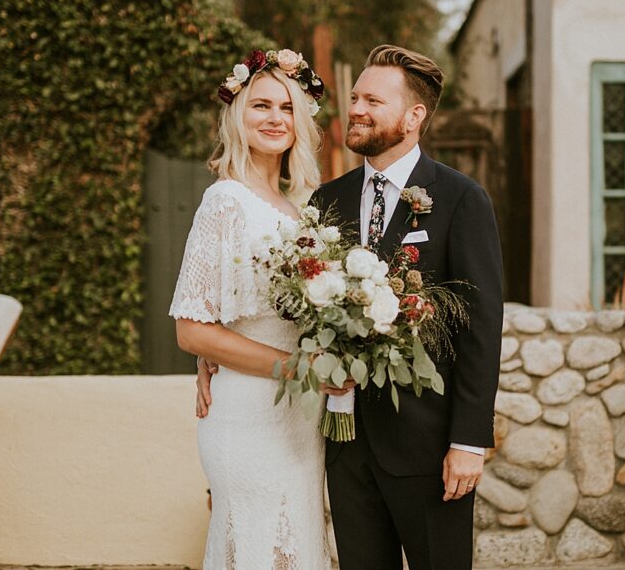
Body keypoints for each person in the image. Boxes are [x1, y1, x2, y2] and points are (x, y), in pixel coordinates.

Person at [198, 44, 504, 569]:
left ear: (414, 116)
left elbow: (480, 328)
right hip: (342, 445)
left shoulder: (460, 198)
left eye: (373, 101)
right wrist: (212, 351)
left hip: (426, 447)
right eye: (355, 96)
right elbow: (288, 306)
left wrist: (469, 442)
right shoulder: (324, 201)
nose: (356, 109)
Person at [170, 48, 331, 569]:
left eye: (287, 108)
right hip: (248, 414)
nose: (275, 119)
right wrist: (297, 368)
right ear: (238, 115)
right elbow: (192, 331)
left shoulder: (302, 208)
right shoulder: (224, 201)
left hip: (301, 419)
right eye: (261, 105)